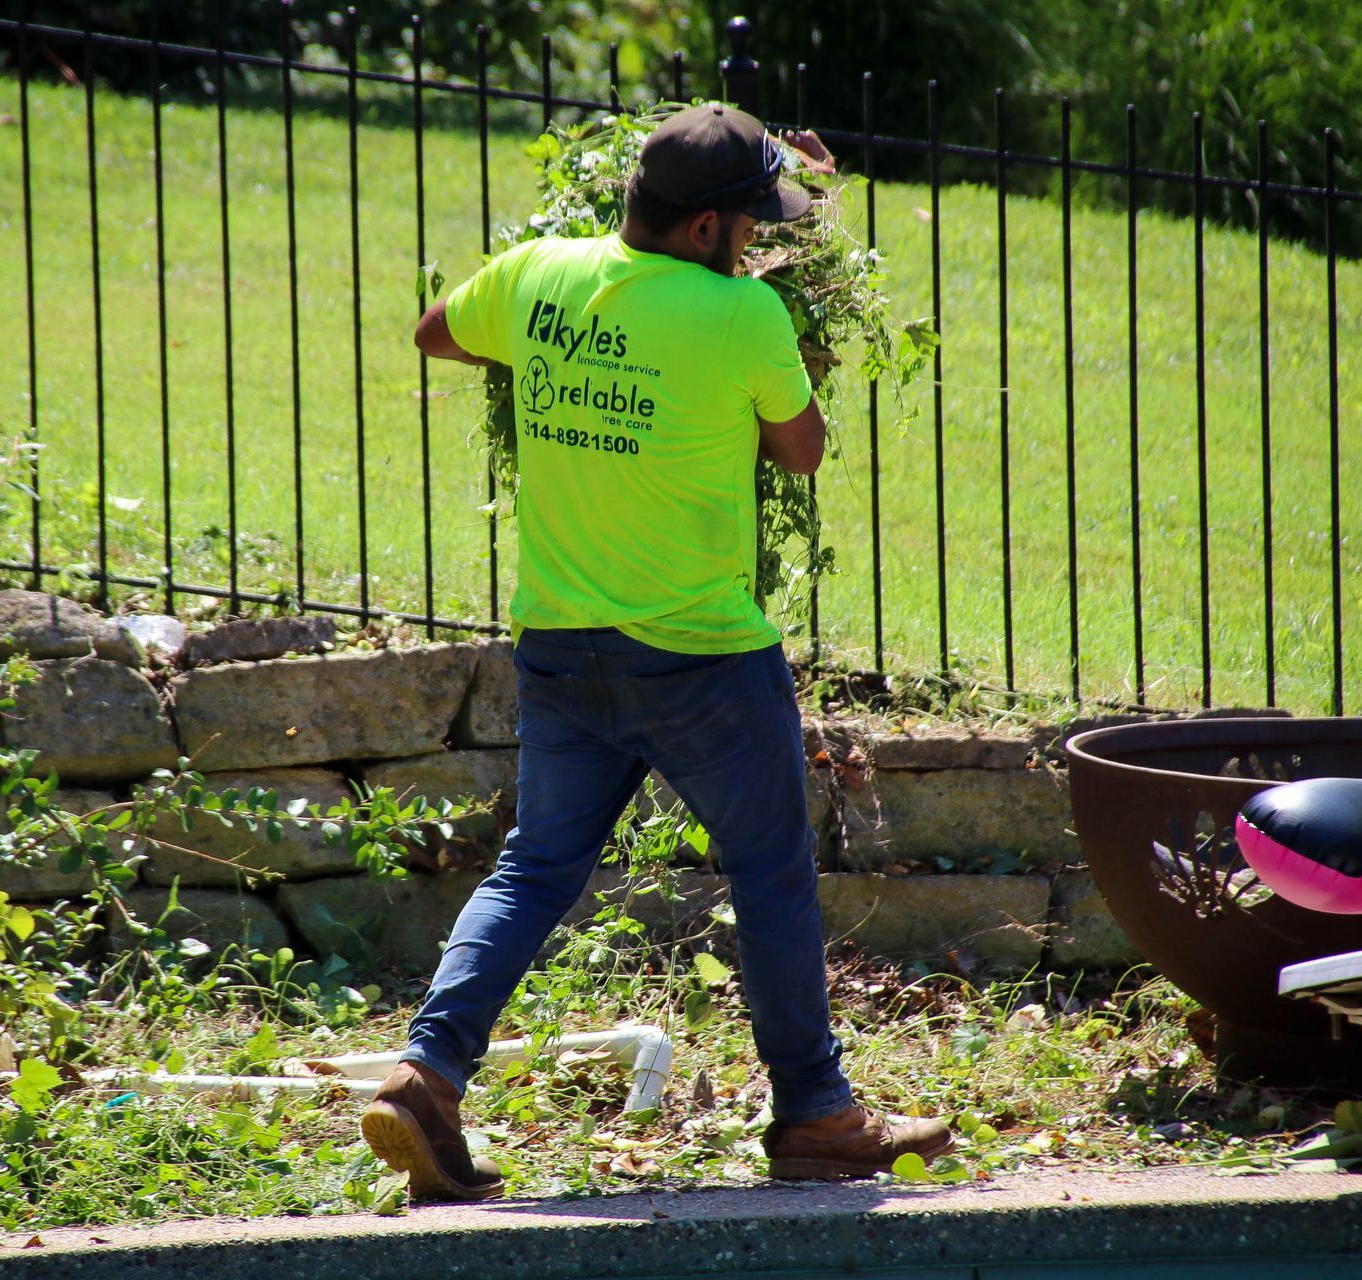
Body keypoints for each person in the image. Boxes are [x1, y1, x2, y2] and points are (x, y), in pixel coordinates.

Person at [359, 103, 953, 1201]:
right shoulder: (745, 316)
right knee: (770, 871)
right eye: (749, 223)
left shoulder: (538, 270)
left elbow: (436, 331)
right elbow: (803, 449)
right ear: (705, 231)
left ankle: (425, 1075)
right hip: (702, 657)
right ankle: (818, 1115)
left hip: (562, 647)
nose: (756, 239)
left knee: (537, 865)